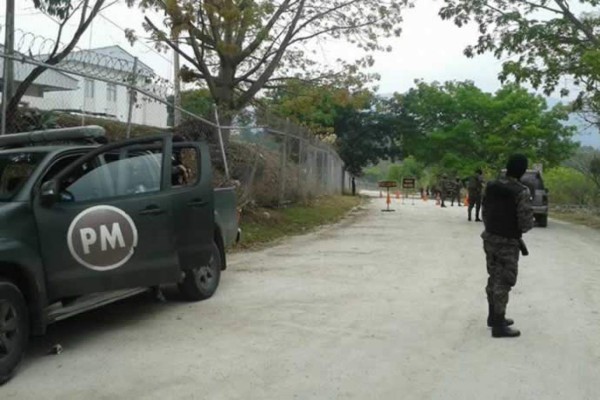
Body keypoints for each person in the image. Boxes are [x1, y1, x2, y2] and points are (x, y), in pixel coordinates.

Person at [481, 154, 533, 338]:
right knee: (504, 280)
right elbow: (526, 222)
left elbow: (484, 210)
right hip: (508, 242)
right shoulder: (521, 191)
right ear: (522, 171)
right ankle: (499, 325)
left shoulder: (492, 185)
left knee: (493, 276)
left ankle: (493, 317)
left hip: (489, 238)